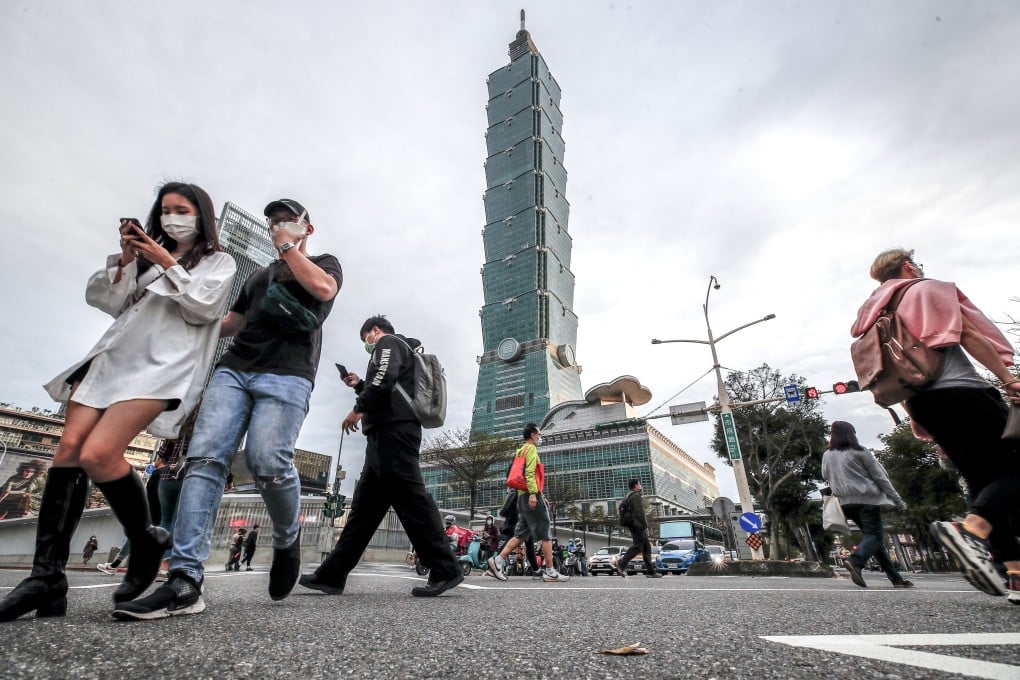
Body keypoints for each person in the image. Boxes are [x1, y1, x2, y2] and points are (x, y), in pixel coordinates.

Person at [0, 182, 235, 623]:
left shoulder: (219, 262)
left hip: (161, 366)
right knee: (67, 454)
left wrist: (168, 263)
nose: (171, 217)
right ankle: (45, 576)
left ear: (201, 216)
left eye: (181, 209)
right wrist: (129, 261)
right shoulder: (145, 262)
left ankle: (145, 538)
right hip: (112, 359)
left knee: (99, 454)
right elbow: (109, 301)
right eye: (164, 210)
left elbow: (203, 308)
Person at [114, 198, 342, 621]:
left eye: (287, 220)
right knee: (203, 460)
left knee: (267, 458)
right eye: (272, 221)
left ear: (307, 229)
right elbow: (231, 322)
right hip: (234, 370)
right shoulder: (257, 276)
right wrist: (172, 315)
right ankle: (184, 580)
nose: (277, 225)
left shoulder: (324, 263)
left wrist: (289, 248)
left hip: (288, 374)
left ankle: (287, 537)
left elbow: (323, 291)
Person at [852, 248, 1020, 602]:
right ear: (909, 267)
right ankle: (970, 529)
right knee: (1012, 470)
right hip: (963, 392)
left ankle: (1015, 572)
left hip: (922, 401)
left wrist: (920, 423)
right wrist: (1007, 379)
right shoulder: (926, 289)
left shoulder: (873, 312)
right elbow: (968, 334)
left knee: (982, 482)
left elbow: (893, 371)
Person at [299, 316, 463, 598]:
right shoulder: (394, 350)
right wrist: (358, 385)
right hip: (383, 436)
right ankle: (331, 575)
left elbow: (384, 377)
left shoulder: (388, 342)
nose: (367, 344)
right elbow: (386, 385)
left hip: (394, 433)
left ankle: (445, 568)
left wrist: (359, 407)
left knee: (413, 500)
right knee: (363, 512)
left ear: (375, 331)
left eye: (366, 338)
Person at [821, 421, 912, 589]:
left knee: (873, 540)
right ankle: (855, 561)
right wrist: (898, 501)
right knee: (875, 537)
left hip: (845, 503)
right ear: (851, 434)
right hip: (867, 501)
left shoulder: (827, 455)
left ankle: (895, 578)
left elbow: (824, 474)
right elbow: (880, 477)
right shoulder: (860, 451)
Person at [485, 424, 569, 583]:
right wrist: (534, 494)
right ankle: (550, 571)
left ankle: (497, 562)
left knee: (520, 534)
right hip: (530, 495)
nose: (540, 436)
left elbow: (523, 475)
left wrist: (538, 494)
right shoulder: (531, 449)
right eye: (539, 433)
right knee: (545, 533)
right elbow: (530, 473)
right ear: (532, 435)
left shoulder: (520, 450)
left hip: (521, 496)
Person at [613, 479, 662, 578]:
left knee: (646, 546)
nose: (640, 485)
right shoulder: (635, 496)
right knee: (638, 546)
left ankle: (650, 571)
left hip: (633, 524)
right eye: (639, 484)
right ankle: (621, 563)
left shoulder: (629, 495)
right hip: (637, 525)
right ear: (635, 486)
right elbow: (639, 512)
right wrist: (644, 524)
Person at [497, 489, 540, 577]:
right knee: (511, 544)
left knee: (529, 544)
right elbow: (505, 512)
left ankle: (536, 569)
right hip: (516, 523)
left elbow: (504, 512)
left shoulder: (514, 493)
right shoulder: (518, 493)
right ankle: (495, 564)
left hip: (518, 521)